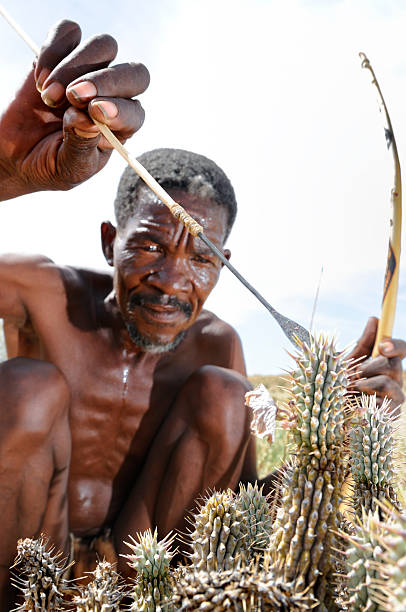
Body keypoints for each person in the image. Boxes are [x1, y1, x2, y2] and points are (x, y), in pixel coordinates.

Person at [0, 18, 405, 609]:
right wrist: (9, 169)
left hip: (140, 586)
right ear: (110, 239)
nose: (172, 282)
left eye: (203, 258)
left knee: (222, 394)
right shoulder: (40, 291)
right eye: (148, 247)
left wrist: (334, 437)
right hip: (21, 573)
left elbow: (238, 513)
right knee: (28, 388)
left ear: (225, 264)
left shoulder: (217, 348)